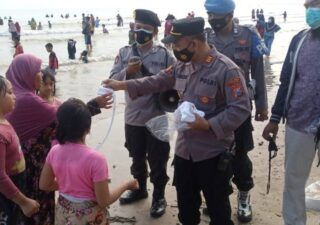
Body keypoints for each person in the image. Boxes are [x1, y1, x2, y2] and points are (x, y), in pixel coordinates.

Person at [103, 17, 251, 225]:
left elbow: (240, 108)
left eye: (176, 43)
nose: (173, 48)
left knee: (218, 211)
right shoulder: (181, 66)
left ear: (194, 43)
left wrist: (208, 125)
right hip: (184, 152)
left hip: (212, 154)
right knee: (187, 210)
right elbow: (155, 81)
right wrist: (122, 84)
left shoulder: (226, 70)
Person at [5, 54, 114, 225]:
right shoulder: (28, 100)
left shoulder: (16, 95)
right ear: (25, 74)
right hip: (34, 161)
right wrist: (93, 104)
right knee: (39, 205)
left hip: (23, 159)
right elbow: (66, 118)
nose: (41, 75)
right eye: (37, 72)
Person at [204, 0, 269, 221]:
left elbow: (258, 71)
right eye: (209, 14)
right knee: (214, 157)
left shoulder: (248, 35)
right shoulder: (205, 38)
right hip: (211, 110)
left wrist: (261, 105)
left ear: (230, 14)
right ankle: (219, 197)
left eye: (216, 15)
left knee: (239, 156)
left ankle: (243, 196)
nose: (212, 19)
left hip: (239, 109)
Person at [109, 9, 175, 218]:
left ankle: (159, 196)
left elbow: (176, 79)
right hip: (133, 117)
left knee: (159, 159)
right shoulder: (125, 52)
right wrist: (126, 72)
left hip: (158, 115)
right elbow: (111, 80)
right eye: (137, 27)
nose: (140, 32)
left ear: (155, 31)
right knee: (136, 157)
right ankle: (140, 188)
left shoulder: (164, 54)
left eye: (146, 29)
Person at [262, 0, 320, 224]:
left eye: (314, 4)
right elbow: (287, 79)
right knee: (294, 180)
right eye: (307, 6)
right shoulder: (300, 39)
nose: (310, 10)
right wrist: (275, 118)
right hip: (299, 120)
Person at [39, 98, 138, 224]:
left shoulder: (54, 151)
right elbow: (104, 201)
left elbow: (44, 184)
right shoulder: (96, 159)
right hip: (89, 216)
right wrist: (126, 185)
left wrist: (69, 184)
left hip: (63, 213)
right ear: (88, 128)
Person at [0, 75, 40, 224]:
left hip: (11, 188)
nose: (14, 96)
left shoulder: (2, 120)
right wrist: (24, 202)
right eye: (10, 92)